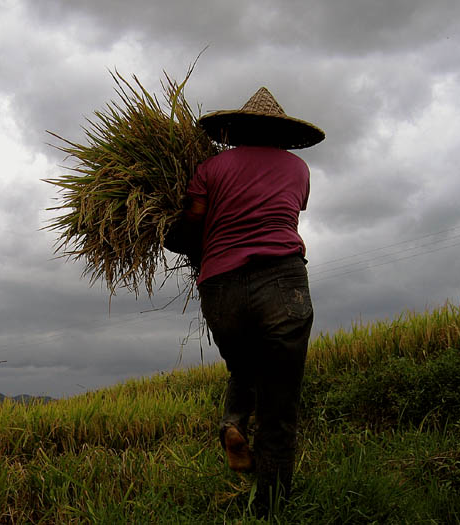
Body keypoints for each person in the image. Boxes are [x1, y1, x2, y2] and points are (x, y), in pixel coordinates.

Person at [175, 87, 324, 506]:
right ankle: (271, 505)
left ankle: (234, 422)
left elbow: (192, 225)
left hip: (220, 285)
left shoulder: (211, 167)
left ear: (236, 131)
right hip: (282, 280)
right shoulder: (299, 169)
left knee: (243, 367)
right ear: (281, 133)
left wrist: (181, 240)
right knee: (280, 399)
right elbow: (286, 216)